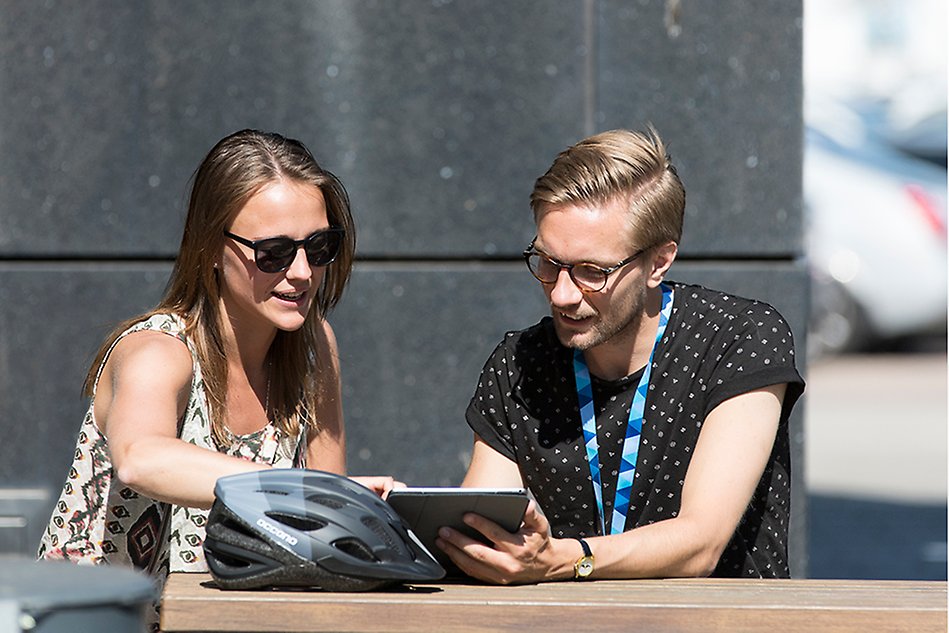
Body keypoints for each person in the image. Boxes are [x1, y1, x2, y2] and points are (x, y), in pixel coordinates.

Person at [37, 129, 394, 627]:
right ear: (210, 246)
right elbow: (140, 459)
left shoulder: (315, 348)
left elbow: (321, 523)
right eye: (273, 251)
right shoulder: (158, 350)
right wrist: (299, 487)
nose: (302, 272)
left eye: (319, 246)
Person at [436, 127, 805, 583]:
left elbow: (701, 543)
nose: (564, 294)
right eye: (548, 263)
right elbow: (484, 524)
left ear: (659, 262)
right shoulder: (519, 364)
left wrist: (566, 559)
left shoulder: (738, 339)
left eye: (592, 272)